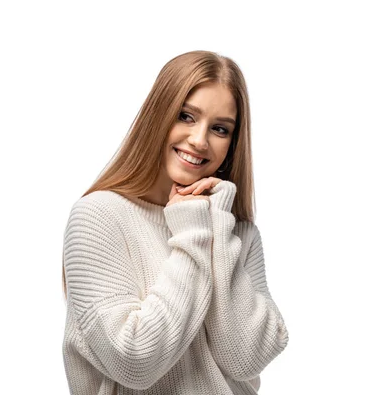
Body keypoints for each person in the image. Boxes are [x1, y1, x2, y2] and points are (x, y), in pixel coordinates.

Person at [61, 50, 289, 394]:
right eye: (186, 116)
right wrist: (194, 230)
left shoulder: (238, 233)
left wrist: (216, 225)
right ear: (158, 115)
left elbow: (247, 358)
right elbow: (135, 361)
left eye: (220, 128)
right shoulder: (99, 217)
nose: (199, 140)